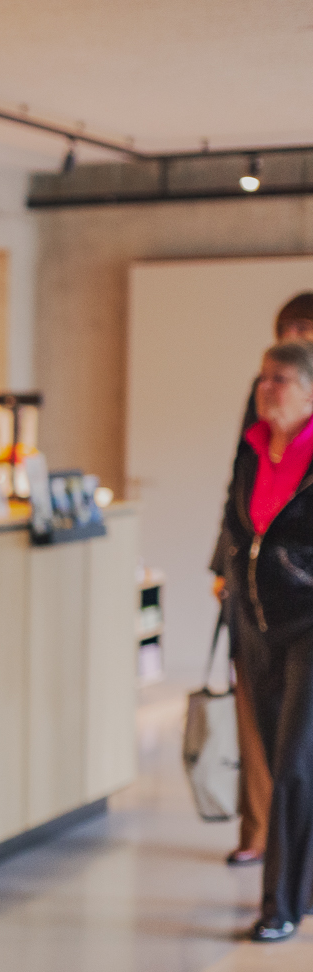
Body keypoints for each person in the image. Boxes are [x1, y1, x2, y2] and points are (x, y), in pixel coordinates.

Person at [213, 341, 313, 941]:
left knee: (297, 760)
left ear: (309, 392)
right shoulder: (252, 444)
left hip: (309, 620)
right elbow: (233, 511)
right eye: (263, 378)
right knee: (280, 763)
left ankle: (278, 906)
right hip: (254, 620)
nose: (267, 389)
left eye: (281, 380)